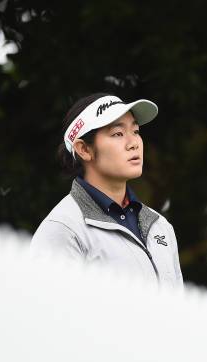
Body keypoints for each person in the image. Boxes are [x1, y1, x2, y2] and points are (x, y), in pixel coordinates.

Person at [30, 92, 183, 290]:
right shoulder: (63, 228)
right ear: (84, 149)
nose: (134, 143)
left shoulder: (160, 226)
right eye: (118, 134)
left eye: (135, 131)